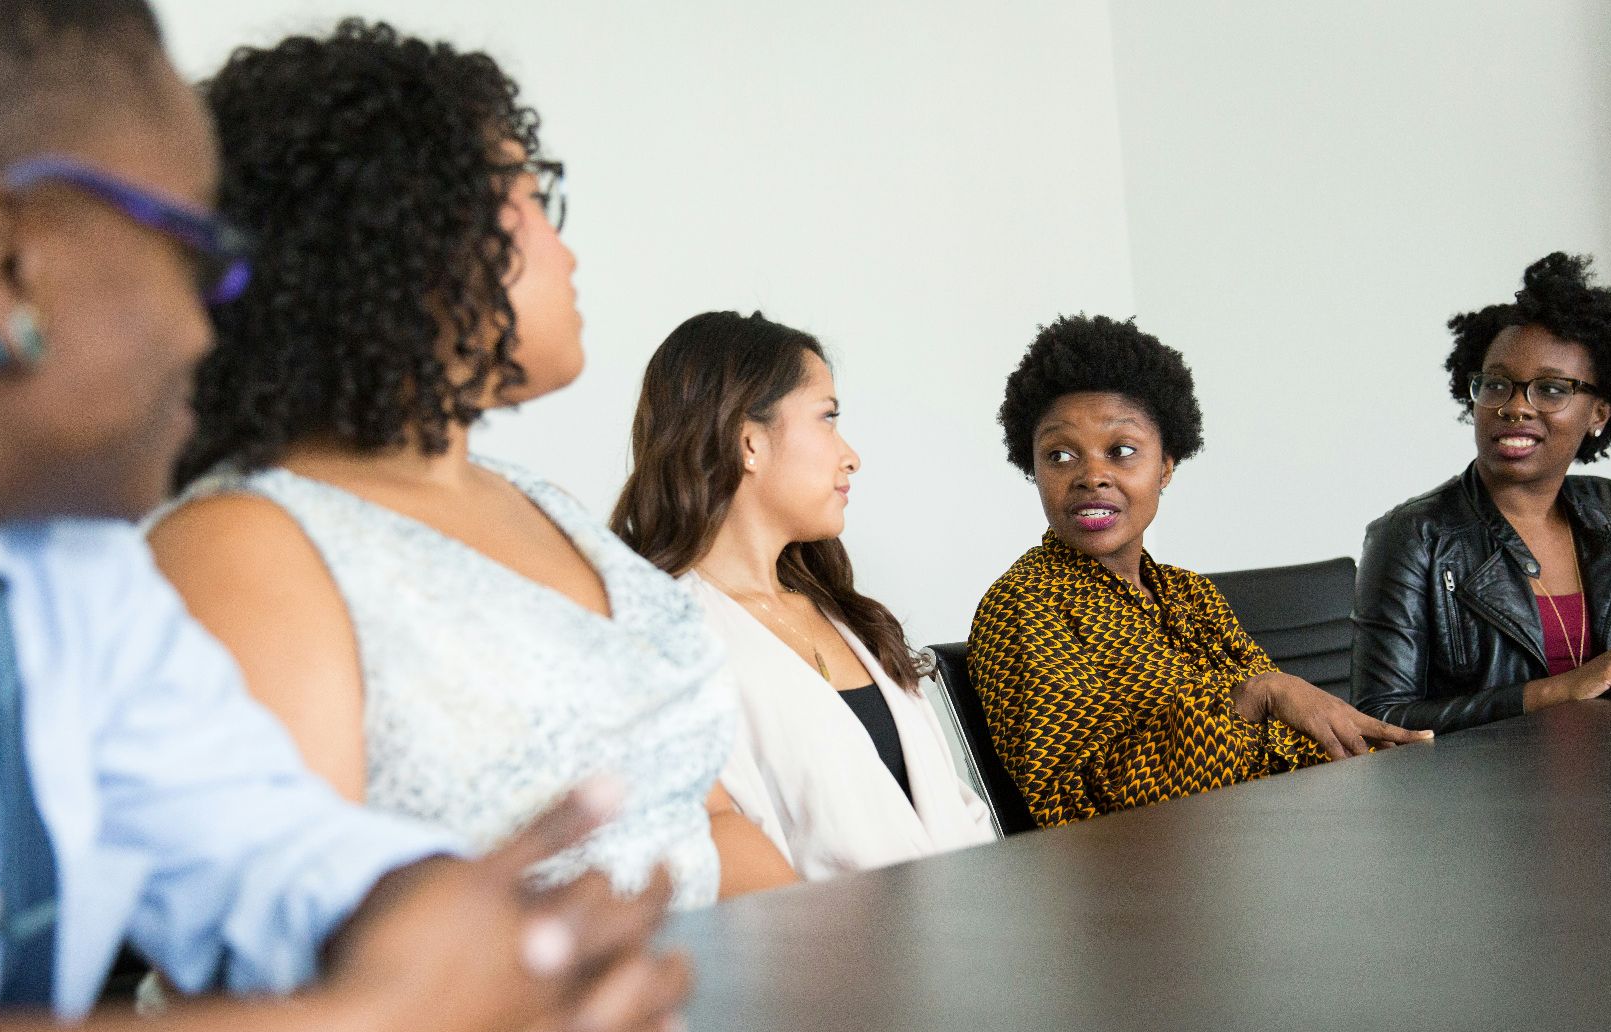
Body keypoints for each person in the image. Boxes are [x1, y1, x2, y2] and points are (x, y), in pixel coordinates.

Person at [0, 3, 686, 1032]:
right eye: (195, 248)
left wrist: (449, 925)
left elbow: (262, 842)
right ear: (5, 264)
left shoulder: (70, 572)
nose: (213, 323)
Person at [146, 21, 795, 905]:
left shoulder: (543, 505)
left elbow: (702, 820)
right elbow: (291, 967)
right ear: (405, 226)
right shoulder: (243, 545)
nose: (564, 250)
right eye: (532, 196)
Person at [968, 314, 1429, 828]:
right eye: (1060, 455)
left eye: (1122, 452)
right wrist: (1252, 697)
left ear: (1165, 466)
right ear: (1034, 470)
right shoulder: (1024, 606)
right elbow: (1076, 808)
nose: (1091, 475)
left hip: (1266, 837)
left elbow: (1287, 730)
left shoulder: (1191, 594)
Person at [610, 311, 995, 878]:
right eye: (827, 417)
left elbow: (957, 810)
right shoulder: (666, 638)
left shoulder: (848, 616)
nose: (850, 455)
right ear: (748, 441)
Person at [1352, 253, 1611, 733]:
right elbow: (1377, 721)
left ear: (1599, 414)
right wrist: (1559, 691)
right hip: (1493, 799)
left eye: (1550, 390)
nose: (1515, 407)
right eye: (1497, 384)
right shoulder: (1414, 537)